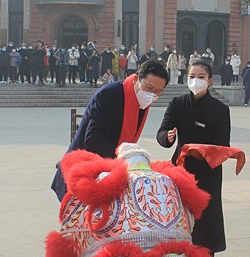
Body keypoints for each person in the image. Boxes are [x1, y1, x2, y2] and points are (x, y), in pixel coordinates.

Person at [50, 59, 170, 201]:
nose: (152, 95)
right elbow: (93, 139)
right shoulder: (109, 95)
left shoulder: (141, 102)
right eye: (149, 88)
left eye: (158, 92)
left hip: (107, 174)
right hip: (83, 174)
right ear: (137, 78)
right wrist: (127, 160)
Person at [156, 59, 230, 257]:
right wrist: (167, 137)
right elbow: (162, 132)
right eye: (191, 76)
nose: (195, 81)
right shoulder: (177, 104)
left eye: (201, 77)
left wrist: (201, 152)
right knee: (178, 222)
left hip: (208, 174)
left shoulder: (220, 110)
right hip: (180, 172)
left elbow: (223, 146)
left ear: (210, 81)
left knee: (206, 227)